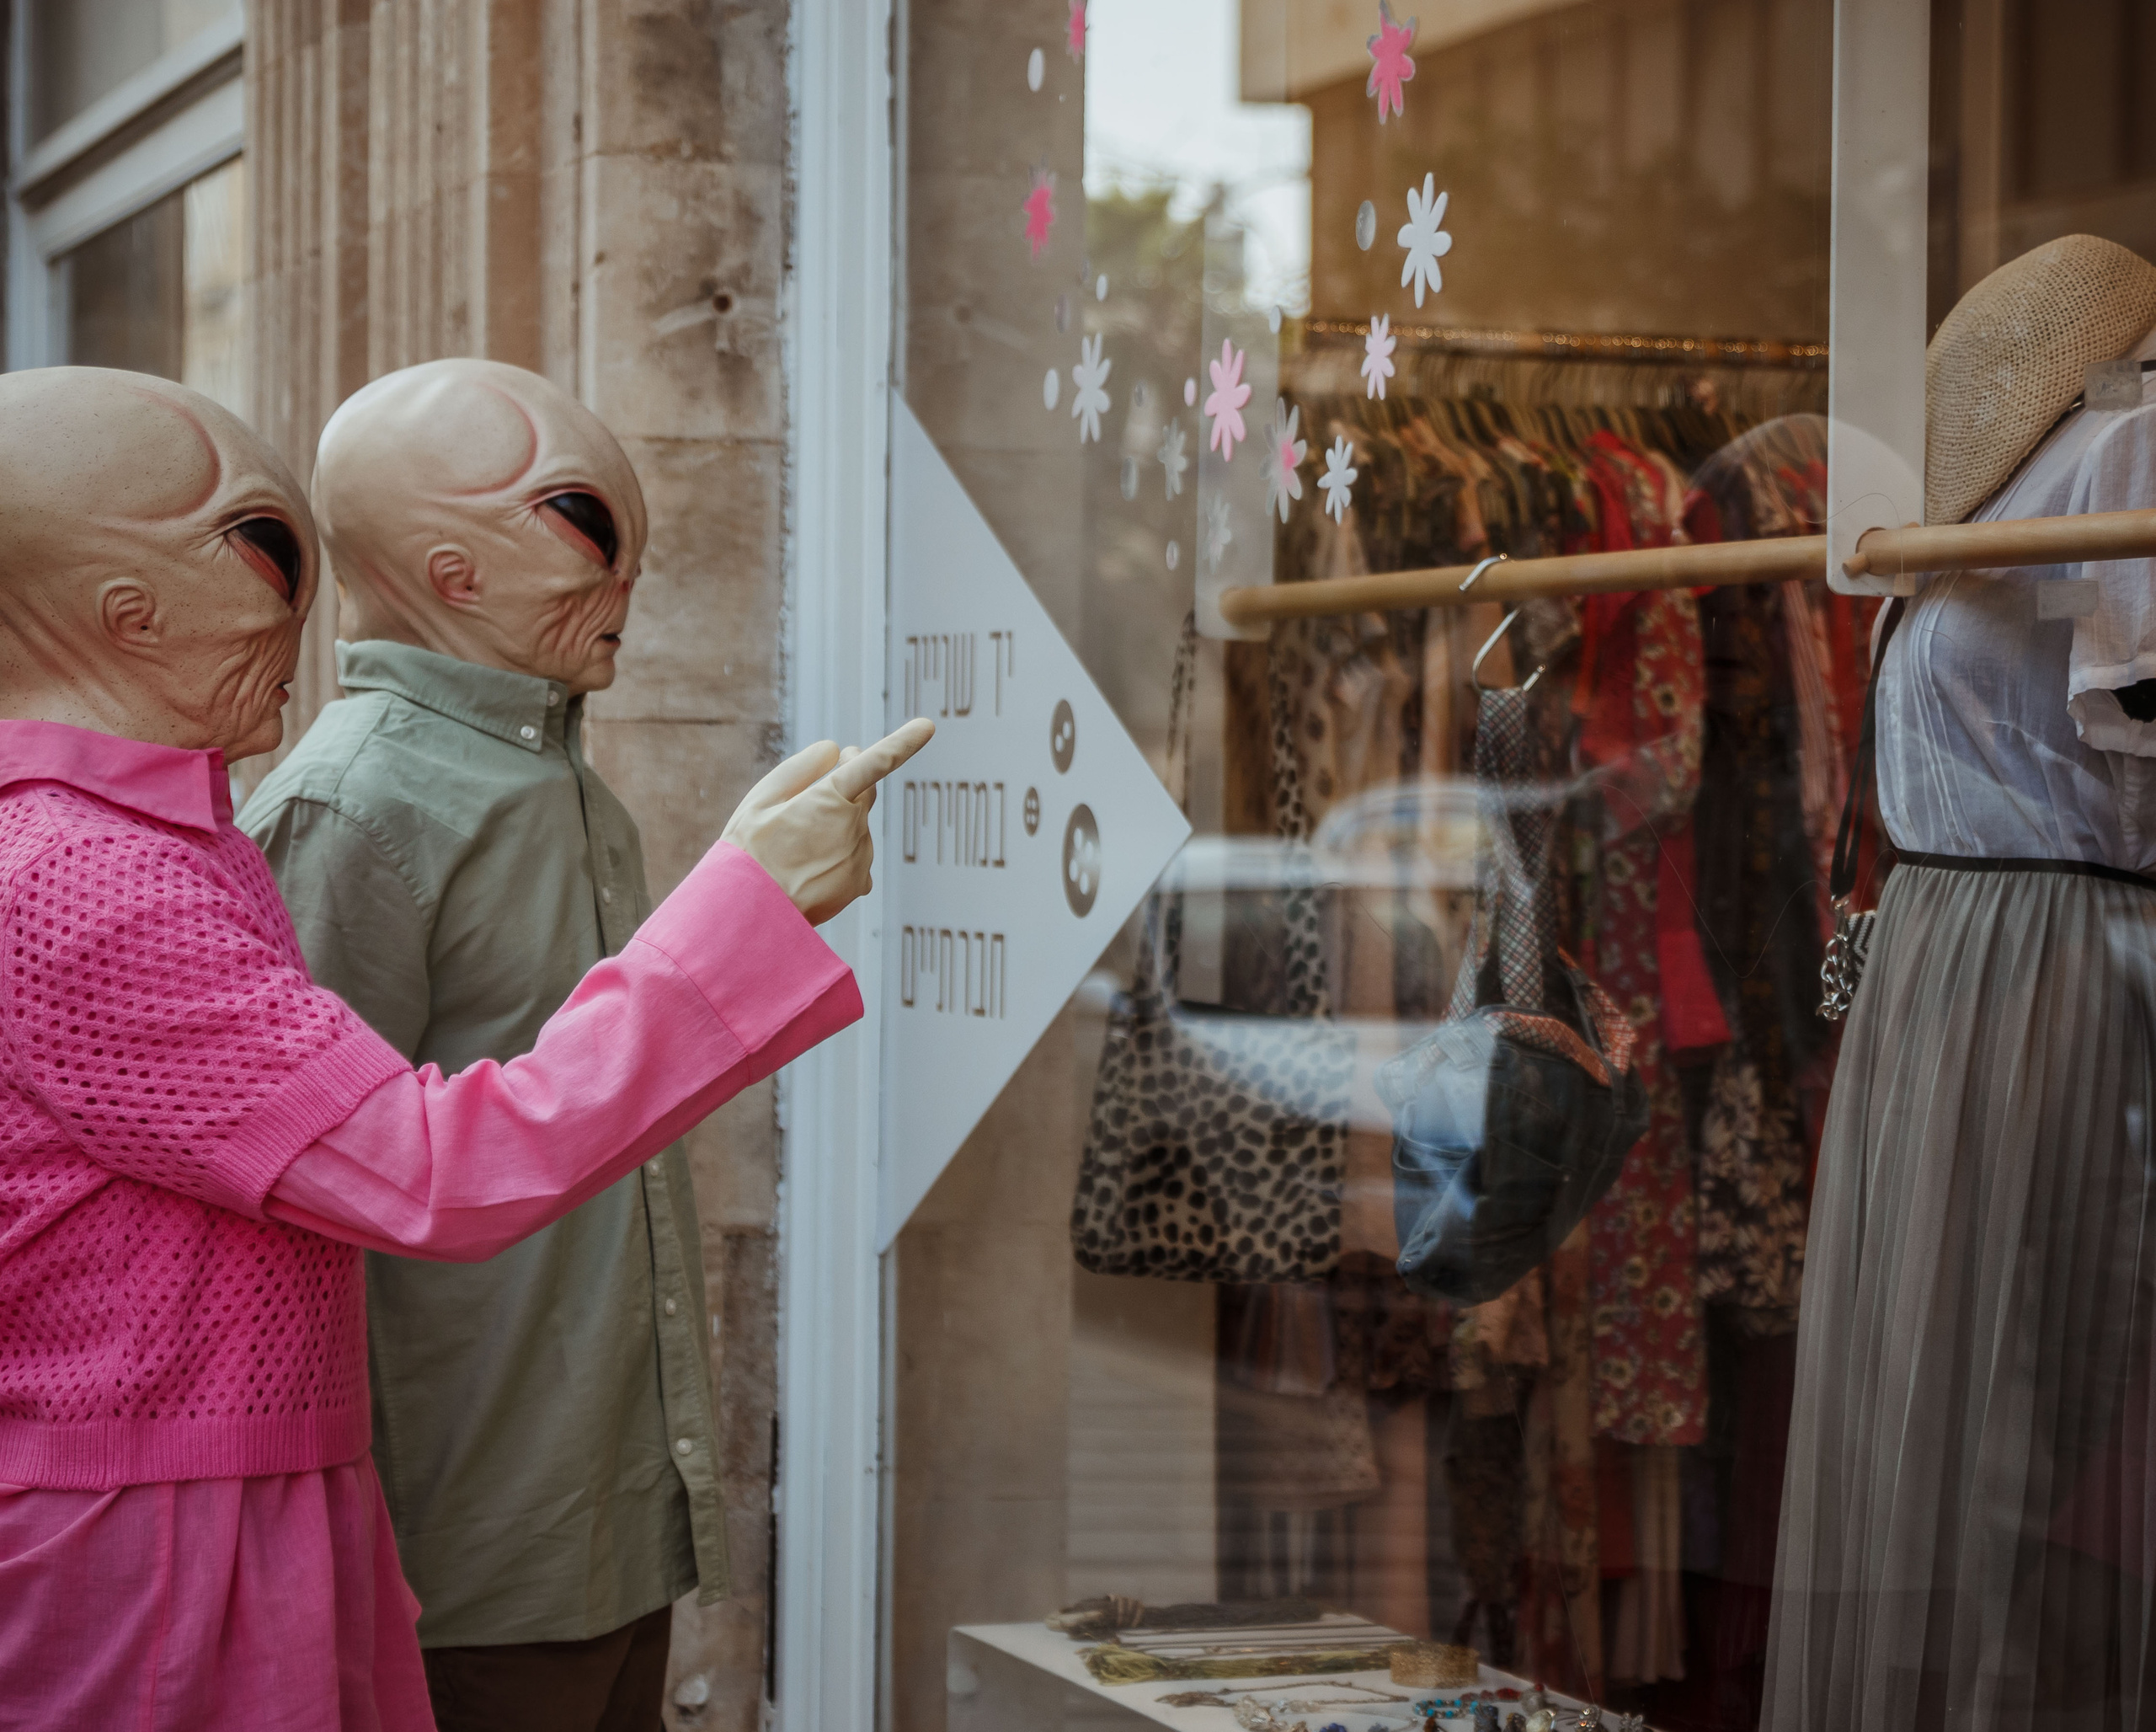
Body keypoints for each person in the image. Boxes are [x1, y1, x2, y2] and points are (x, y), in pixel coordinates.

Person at [0, 364, 930, 1729]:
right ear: (123, 613)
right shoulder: (84, 882)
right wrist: (751, 905)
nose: (308, 603)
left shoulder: (149, 848)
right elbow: (426, 1169)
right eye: (267, 552)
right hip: (156, 1551)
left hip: (257, 1511)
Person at [237, 356, 773, 1729]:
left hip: (603, 1526)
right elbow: (306, 1201)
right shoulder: (356, 807)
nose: (628, 596)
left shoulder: (561, 782)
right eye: (596, 558)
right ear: (451, 573)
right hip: (460, 1554)